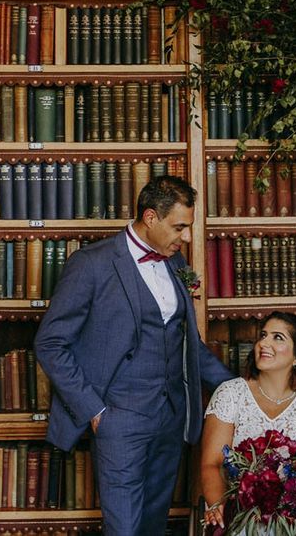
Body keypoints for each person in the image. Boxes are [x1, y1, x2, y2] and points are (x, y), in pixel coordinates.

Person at [34, 175, 234, 536]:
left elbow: (188, 345)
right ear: (150, 217)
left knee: (152, 526)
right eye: (180, 227)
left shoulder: (174, 263)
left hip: (172, 420)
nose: (186, 237)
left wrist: (242, 392)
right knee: (124, 529)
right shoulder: (92, 264)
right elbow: (50, 343)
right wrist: (94, 411)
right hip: (118, 421)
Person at [200, 311, 296, 532]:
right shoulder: (229, 394)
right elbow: (211, 464)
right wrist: (221, 507)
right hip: (240, 512)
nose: (264, 343)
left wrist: (282, 517)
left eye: (277, 337)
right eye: (263, 335)